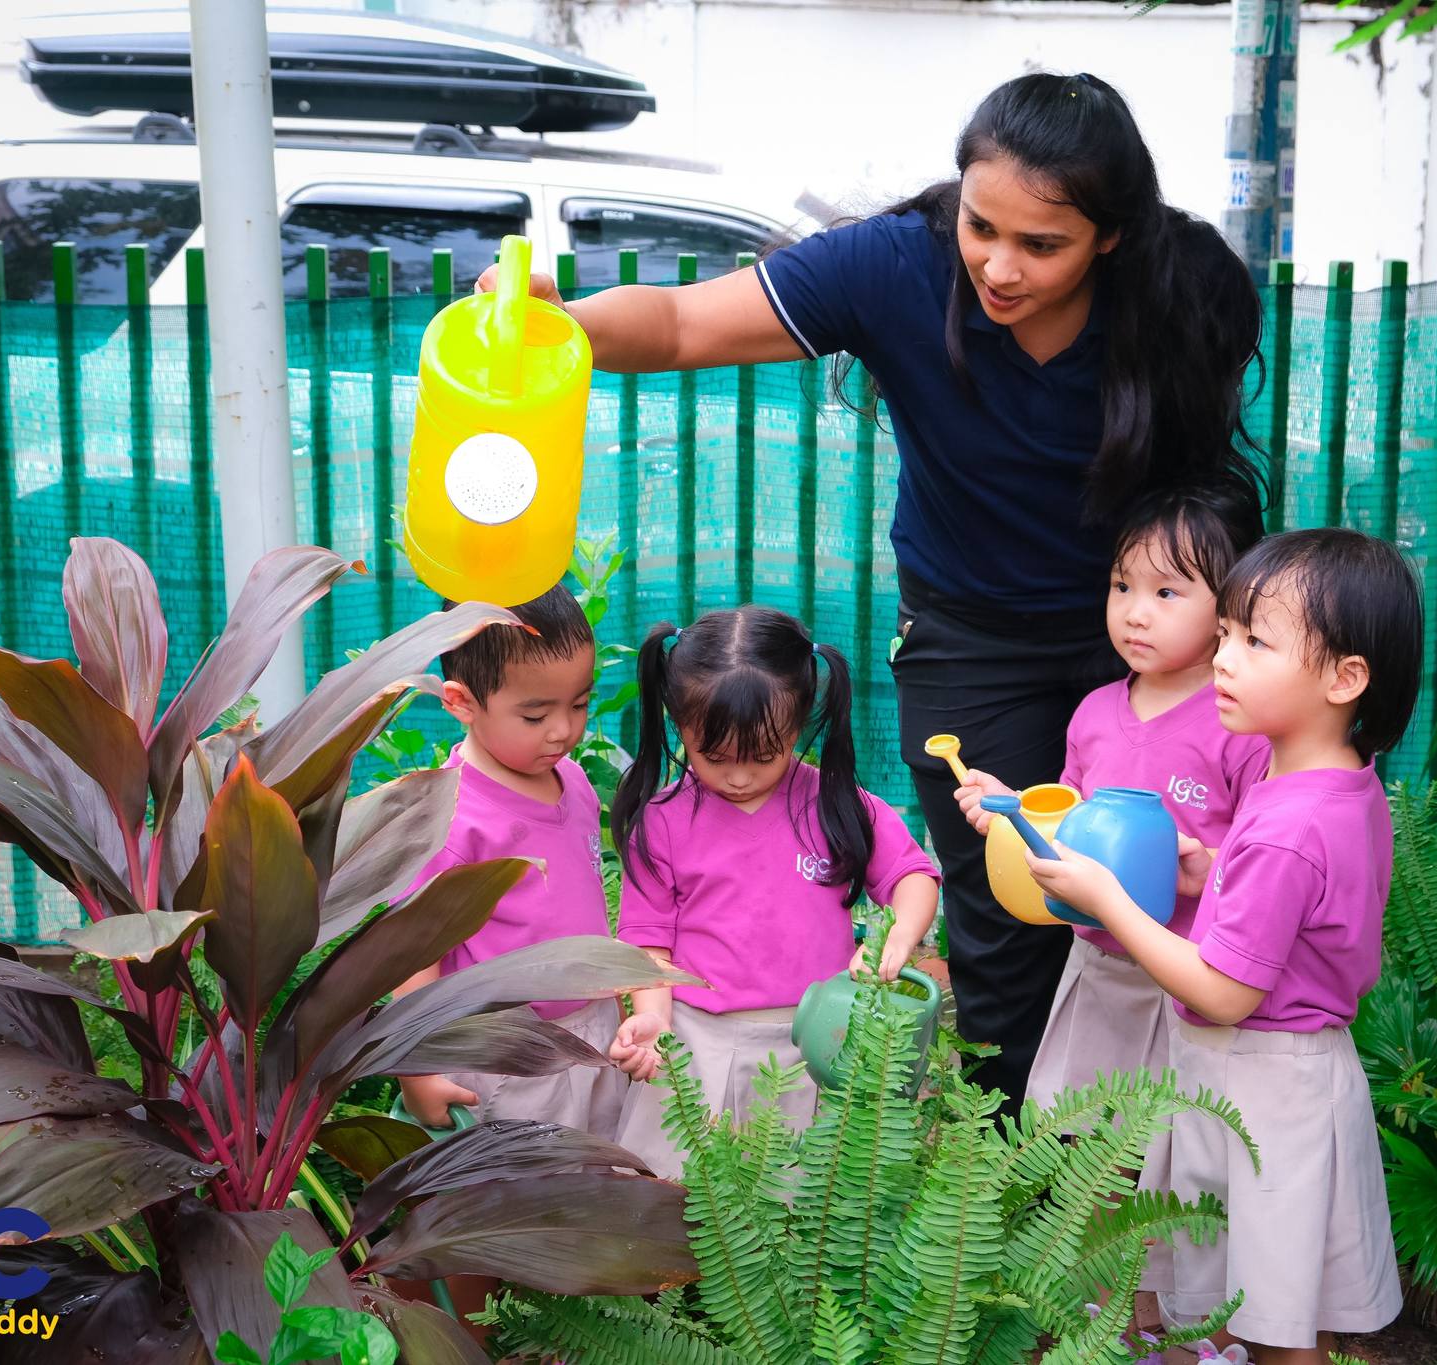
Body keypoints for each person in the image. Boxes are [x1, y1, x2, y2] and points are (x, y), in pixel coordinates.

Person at [479, 73, 1261, 1110]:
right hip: (972, 645)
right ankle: (1028, 1184)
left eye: (1041, 245)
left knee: (1179, 890)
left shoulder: (1180, 290)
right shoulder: (893, 268)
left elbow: (1206, 498)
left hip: (1145, 632)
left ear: (1107, 238)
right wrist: (560, 322)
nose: (997, 264)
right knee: (1006, 913)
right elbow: (673, 325)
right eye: (981, 226)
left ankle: (1180, 1160)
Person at [1023, 529, 1418, 1363]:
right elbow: (1301, 914)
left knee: (1278, 1331)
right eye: (1228, 632)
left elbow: (1224, 989)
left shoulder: (1288, 826)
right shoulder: (1335, 785)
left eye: (1255, 641)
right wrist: (1205, 875)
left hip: (1261, 1089)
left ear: (1346, 678)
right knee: (1285, 1309)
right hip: (1286, 1079)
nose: (1224, 658)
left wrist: (1112, 901)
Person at [953, 478, 1269, 1313]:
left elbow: (1267, 856)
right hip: (1098, 978)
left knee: (1178, 1159)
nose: (1135, 610)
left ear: (1233, 606)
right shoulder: (1095, 712)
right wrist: (1008, 810)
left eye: (1168, 591)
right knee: (1091, 1149)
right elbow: (1066, 833)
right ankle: (1106, 1314)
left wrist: (1215, 863)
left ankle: (1190, 1319)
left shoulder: (1238, 721)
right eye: (1123, 585)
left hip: (1184, 986)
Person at [606, 606, 939, 1177]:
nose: (738, 776)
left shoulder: (836, 805)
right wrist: (654, 1020)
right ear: (677, 722)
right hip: (700, 1045)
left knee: (808, 1213)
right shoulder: (661, 823)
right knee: (691, 1210)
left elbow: (912, 875)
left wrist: (900, 934)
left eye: (763, 755)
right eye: (714, 756)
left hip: (820, 1043)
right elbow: (649, 948)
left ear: (800, 722)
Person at [390, 585, 625, 1139]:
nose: (564, 730)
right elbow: (408, 954)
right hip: (509, 1056)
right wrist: (416, 1072)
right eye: (536, 714)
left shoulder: (570, 776)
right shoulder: (449, 819)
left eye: (579, 703)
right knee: (525, 1202)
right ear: (461, 702)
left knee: (601, 1177)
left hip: (594, 1031)